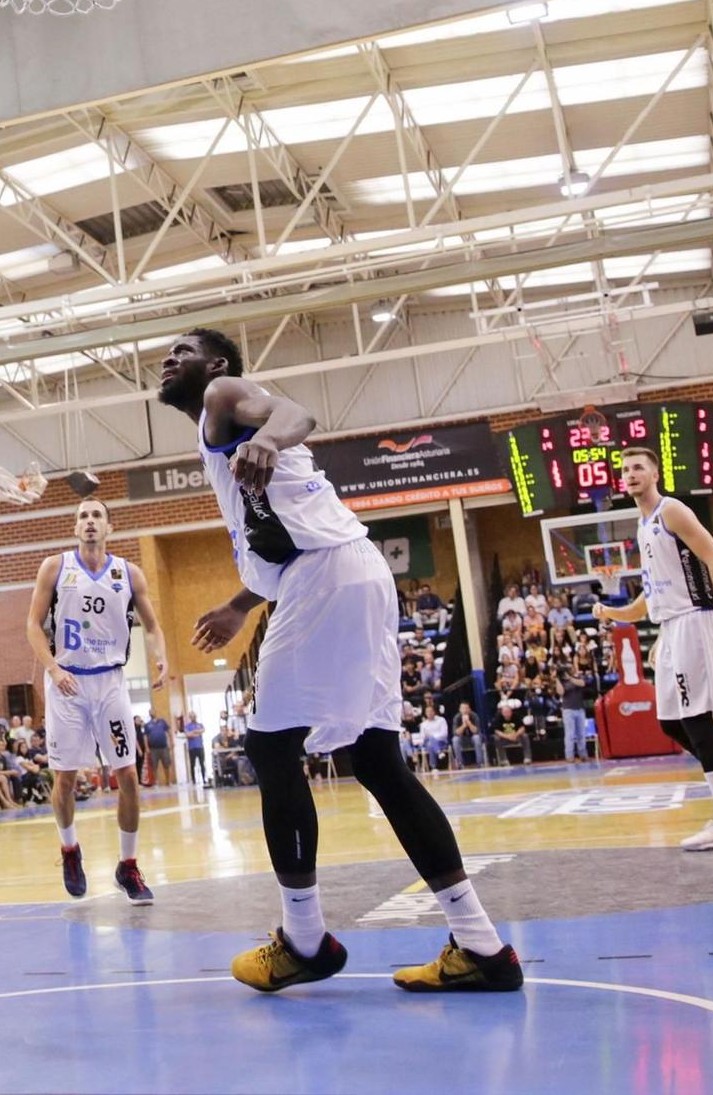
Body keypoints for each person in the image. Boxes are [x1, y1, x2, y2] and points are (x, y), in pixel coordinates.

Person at [162, 328, 522, 994]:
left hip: (326, 577)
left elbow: (297, 413)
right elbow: (280, 543)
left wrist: (270, 437)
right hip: (352, 571)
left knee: (271, 750)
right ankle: (482, 945)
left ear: (215, 365)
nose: (167, 358)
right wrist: (242, 603)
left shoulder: (224, 392)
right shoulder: (217, 437)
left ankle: (304, 939)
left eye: (182, 348)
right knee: (380, 761)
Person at [595, 447, 713, 850]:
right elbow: (651, 597)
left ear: (655, 474)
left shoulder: (672, 511)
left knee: (696, 719)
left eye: (639, 467)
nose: (631, 474)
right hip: (674, 627)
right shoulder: (644, 526)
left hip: (698, 620)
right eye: (625, 470)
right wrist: (612, 613)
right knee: (671, 722)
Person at [23, 498, 163, 905]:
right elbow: (32, 624)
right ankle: (70, 850)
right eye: (82, 516)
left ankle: (128, 865)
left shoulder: (128, 572)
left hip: (111, 683)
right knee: (65, 779)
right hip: (67, 683)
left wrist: (162, 656)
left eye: (96, 515)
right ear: (75, 528)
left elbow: (153, 626)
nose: (89, 521)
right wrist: (52, 668)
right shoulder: (55, 567)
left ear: (109, 527)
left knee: (129, 777)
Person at [182, 712, 206, 787]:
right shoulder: (187, 726)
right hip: (192, 748)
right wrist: (196, 733)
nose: (193, 717)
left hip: (200, 747)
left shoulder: (200, 725)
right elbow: (187, 734)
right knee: (192, 764)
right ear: (190, 717)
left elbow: (202, 730)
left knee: (202, 764)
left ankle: (204, 779)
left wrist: (193, 733)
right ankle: (194, 780)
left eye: (194, 716)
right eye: (191, 716)